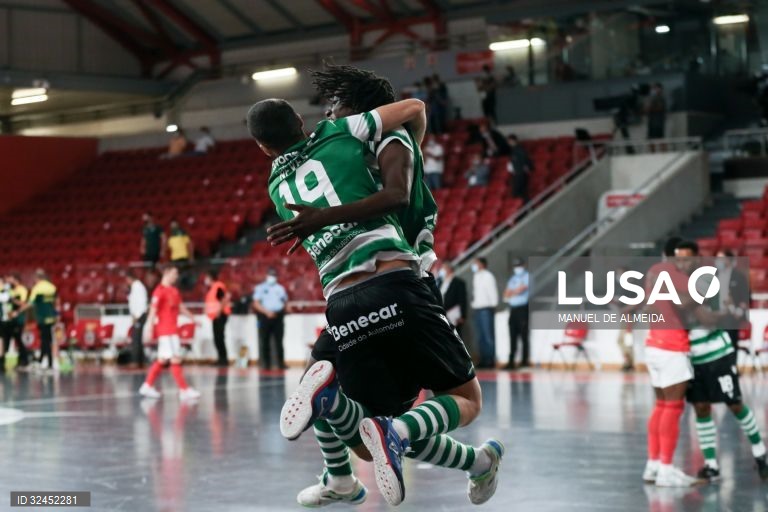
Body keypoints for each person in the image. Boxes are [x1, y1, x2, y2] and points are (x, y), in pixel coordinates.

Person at [247, 95, 501, 507]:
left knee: (357, 427)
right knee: (455, 403)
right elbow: (404, 163)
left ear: (262, 148)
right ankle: (376, 447)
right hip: (397, 283)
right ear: (299, 119)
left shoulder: (276, 185)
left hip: (342, 300)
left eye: (333, 108)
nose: (327, 116)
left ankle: (345, 474)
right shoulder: (355, 138)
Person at [675, 241, 768, 482]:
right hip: (694, 356)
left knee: (734, 403)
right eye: (678, 259)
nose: (681, 264)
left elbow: (706, 318)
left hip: (718, 353)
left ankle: (760, 452)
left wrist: (686, 305)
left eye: (686, 259)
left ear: (696, 258)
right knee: (701, 407)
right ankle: (711, 464)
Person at [642, 237, 699, 487]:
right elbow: (685, 304)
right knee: (673, 408)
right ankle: (666, 469)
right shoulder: (678, 277)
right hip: (672, 346)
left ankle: (653, 466)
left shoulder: (654, 271)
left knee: (661, 406)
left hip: (654, 343)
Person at [138, 266, 201, 401]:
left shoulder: (174, 291)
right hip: (166, 331)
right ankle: (184, 390)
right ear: (166, 273)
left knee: (162, 360)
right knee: (175, 359)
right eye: (174, 274)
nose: (176, 277)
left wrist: (193, 318)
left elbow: (180, 308)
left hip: (173, 330)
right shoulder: (159, 292)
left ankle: (147, 385)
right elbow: (153, 311)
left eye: (176, 274)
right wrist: (149, 328)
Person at [15, 269, 58, 372]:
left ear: (37, 278)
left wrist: (18, 311)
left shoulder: (37, 288)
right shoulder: (52, 287)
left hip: (42, 318)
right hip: (51, 317)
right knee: (48, 340)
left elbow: (30, 303)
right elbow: (56, 301)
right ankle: (44, 362)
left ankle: (48, 365)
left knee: (45, 341)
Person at [252, 268, 288, 370]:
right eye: (270, 275)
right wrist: (267, 312)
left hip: (278, 316)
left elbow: (284, 301)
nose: (272, 277)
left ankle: (281, 363)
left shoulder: (280, 288)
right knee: (265, 340)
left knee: (279, 341)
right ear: (267, 276)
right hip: (264, 316)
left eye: (274, 275)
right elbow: (256, 303)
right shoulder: (260, 288)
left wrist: (285, 309)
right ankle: (266, 364)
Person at [714, 250, 749, 347]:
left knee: (731, 343)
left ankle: (732, 361)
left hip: (732, 315)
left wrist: (738, 311)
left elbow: (745, 297)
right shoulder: (714, 275)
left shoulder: (739, 276)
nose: (718, 261)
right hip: (716, 315)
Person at [471, 257, 498, 368]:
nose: (474, 265)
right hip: (477, 309)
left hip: (486, 309)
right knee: (480, 336)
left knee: (488, 336)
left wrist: (493, 305)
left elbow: (492, 292)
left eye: (475, 263)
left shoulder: (488, 276)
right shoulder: (476, 276)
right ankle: (483, 359)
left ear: (482, 264)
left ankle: (490, 360)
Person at [503, 258, 529, 370]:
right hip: (513, 309)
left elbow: (521, 289)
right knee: (512, 336)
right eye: (515, 266)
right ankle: (511, 361)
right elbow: (506, 294)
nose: (517, 268)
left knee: (524, 336)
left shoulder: (527, 276)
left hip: (523, 309)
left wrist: (512, 292)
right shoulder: (513, 278)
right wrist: (514, 291)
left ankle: (524, 361)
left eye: (519, 265)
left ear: (523, 265)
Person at [205, 270, 231, 367]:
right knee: (217, 338)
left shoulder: (218, 286)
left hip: (220, 315)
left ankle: (223, 359)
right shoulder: (213, 288)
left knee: (219, 337)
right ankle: (221, 358)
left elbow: (223, 299)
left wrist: (219, 312)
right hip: (215, 316)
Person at [4, 273, 29, 370]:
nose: (9, 282)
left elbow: (24, 303)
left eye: (11, 280)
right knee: (8, 339)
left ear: (16, 279)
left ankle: (24, 360)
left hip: (19, 319)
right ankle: (4, 361)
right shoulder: (11, 290)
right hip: (10, 319)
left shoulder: (22, 289)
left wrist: (13, 301)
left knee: (18, 339)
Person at [440, 262, 468, 337]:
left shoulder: (458, 282)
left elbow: (462, 299)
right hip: (444, 315)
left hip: (454, 315)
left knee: (456, 336)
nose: (441, 270)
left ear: (449, 269)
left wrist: (463, 315)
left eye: (443, 268)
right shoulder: (441, 282)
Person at [127, 271, 148, 368]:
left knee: (136, 339)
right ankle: (141, 360)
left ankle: (136, 361)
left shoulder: (137, 287)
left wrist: (136, 316)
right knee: (137, 338)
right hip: (138, 316)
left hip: (139, 316)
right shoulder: (137, 287)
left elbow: (140, 303)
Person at [507, 134, 533, 201]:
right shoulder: (513, 150)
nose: (509, 143)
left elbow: (525, 160)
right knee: (520, 192)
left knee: (519, 192)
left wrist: (528, 168)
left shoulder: (519, 149)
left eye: (510, 141)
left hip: (520, 173)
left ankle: (526, 206)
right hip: (517, 172)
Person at [646, 83, 667, 147]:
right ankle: (652, 155)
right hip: (651, 121)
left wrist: (650, 108)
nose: (653, 90)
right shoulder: (650, 98)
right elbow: (646, 109)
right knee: (651, 139)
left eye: (655, 88)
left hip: (659, 121)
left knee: (661, 138)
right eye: (652, 89)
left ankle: (663, 154)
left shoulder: (661, 98)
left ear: (659, 89)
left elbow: (660, 108)